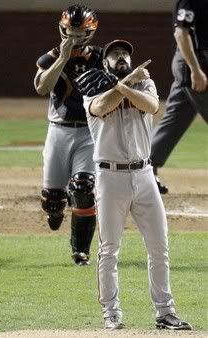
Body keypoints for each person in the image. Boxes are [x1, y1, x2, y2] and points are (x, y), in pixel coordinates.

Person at [75, 40, 192, 330]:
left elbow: (151, 106)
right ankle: (111, 313)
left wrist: (125, 85)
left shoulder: (146, 85)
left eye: (126, 53)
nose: (122, 56)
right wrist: (125, 82)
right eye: (115, 54)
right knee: (109, 249)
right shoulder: (93, 90)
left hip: (144, 175)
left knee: (159, 247)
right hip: (109, 178)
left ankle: (165, 313)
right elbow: (103, 107)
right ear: (105, 64)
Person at [34, 5, 103, 266]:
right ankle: (55, 210)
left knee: (83, 187)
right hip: (58, 130)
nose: (73, 35)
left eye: (79, 31)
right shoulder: (51, 57)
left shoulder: (99, 57)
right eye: (70, 30)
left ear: (89, 33)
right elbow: (42, 87)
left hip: (89, 131)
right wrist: (62, 58)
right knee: (53, 200)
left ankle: (80, 250)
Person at [151, 0, 208, 194]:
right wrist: (195, 70)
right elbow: (181, 33)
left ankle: (144, 170)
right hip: (193, 62)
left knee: (175, 119)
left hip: (198, 64)